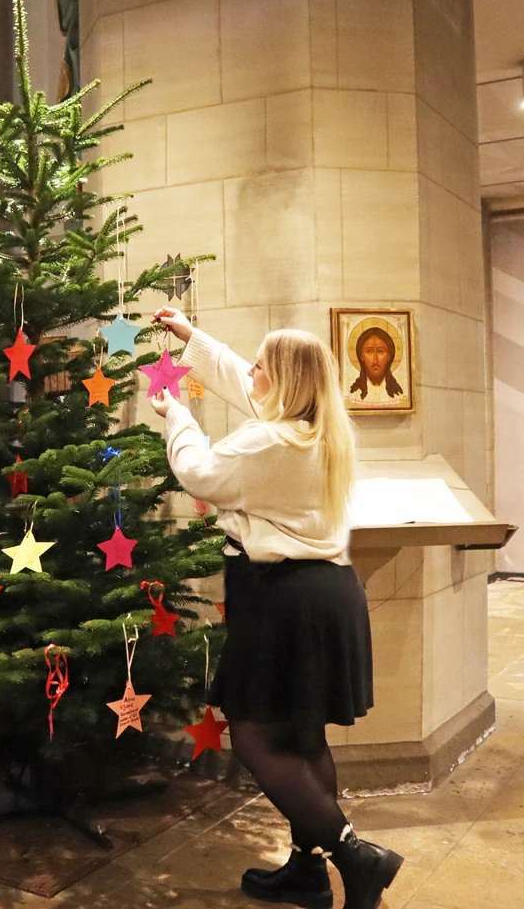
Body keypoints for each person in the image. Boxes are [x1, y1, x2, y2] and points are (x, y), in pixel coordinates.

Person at [150, 306, 403, 909]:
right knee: (305, 735)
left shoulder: (270, 441)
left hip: (282, 599)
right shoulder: (322, 428)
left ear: (285, 382)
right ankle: (308, 873)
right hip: (327, 592)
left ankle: (353, 855)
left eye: (264, 364)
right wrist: (193, 338)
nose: (252, 370)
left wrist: (176, 413)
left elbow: (199, 472)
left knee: (257, 739)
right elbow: (246, 381)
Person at [348, 325, 404, 405]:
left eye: (380, 351)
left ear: (389, 356)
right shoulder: (354, 395)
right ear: (361, 356)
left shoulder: (398, 395)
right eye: (369, 351)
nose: (375, 359)